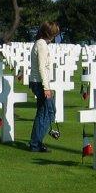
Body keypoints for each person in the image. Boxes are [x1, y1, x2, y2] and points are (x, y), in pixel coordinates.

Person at [27, 21, 60, 152]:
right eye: (54, 33)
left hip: (39, 82)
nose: (55, 36)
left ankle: (37, 141)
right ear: (49, 34)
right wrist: (46, 87)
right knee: (47, 112)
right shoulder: (41, 44)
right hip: (39, 83)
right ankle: (36, 143)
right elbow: (42, 67)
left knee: (45, 111)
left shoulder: (41, 43)